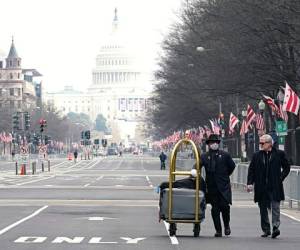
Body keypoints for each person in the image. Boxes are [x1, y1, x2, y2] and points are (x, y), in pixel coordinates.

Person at [247, 134, 290, 239]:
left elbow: (287, 167)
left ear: (269, 143)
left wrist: (281, 178)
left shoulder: (279, 154)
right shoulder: (257, 155)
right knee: (263, 208)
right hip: (261, 186)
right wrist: (249, 183)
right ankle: (266, 229)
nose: (260, 145)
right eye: (260, 143)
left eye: (262, 143)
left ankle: (275, 227)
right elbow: (251, 170)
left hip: (275, 185)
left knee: (275, 207)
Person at [200, 134, 235, 237]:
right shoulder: (204, 156)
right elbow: (198, 165)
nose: (214, 144)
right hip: (211, 187)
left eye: (215, 142)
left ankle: (226, 225)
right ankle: (218, 230)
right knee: (215, 209)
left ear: (218, 143)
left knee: (225, 207)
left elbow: (232, 166)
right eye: (211, 142)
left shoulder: (225, 155)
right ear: (209, 144)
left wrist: (224, 175)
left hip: (224, 186)